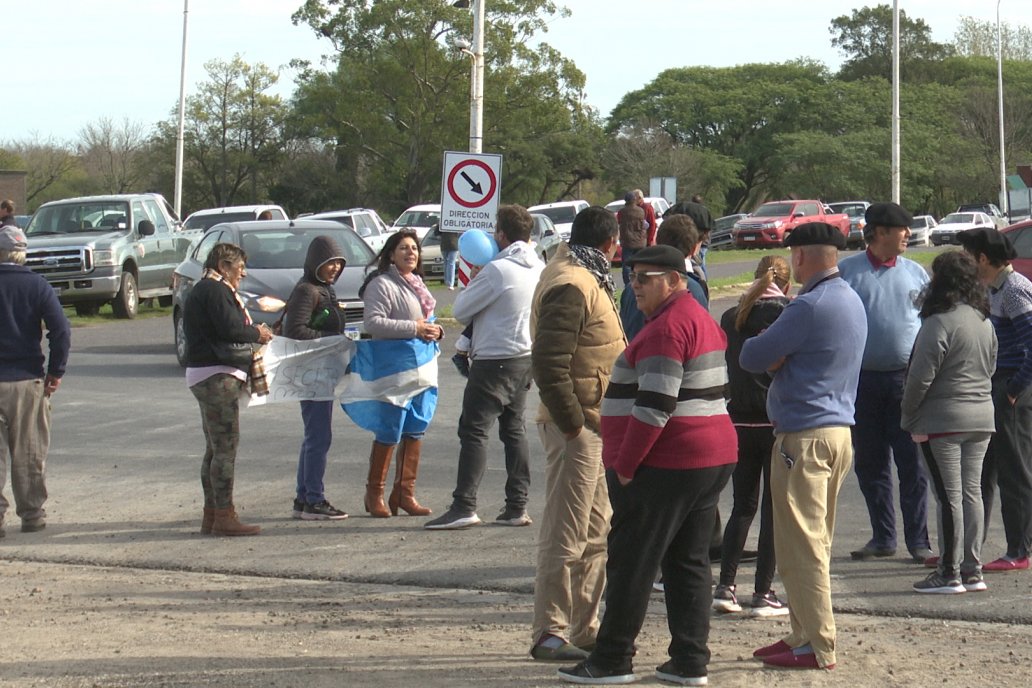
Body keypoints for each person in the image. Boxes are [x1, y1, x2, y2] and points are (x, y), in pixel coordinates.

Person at [558, 245, 737, 685]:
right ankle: (690, 660)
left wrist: (625, 463)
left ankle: (612, 659)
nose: (635, 286)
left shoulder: (667, 329)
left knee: (632, 562)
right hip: (708, 457)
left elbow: (655, 406)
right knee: (688, 562)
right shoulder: (699, 319)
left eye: (646, 278)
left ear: (675, 280)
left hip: (669, 461)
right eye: (632, 277)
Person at [740, 222, 867, 671]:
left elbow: (751, 355)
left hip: (805, 437)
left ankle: (817, 644)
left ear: (800, 257)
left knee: (803, 546)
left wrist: (780, 355)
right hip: (837, 434)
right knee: (810, 542)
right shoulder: (850, 298)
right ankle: (801, 635)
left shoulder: (808, 305)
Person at [529, 206, 625, 662]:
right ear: (611, 242)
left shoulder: (586, 276)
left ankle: (586, 629)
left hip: (592, 422)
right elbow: (549, 362)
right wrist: (572, 424)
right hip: (577, 426)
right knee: (566, 534)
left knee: (595, 532)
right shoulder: (572, 282)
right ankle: (550, 630)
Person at [425, 206, 544, 530]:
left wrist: (476, 279)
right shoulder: (538, 267)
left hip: (494, 358)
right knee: (513, 430)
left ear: (502, 234)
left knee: (474, 430)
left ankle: (465, 505)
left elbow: (461, 310)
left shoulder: (498, 270)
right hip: (524, 356)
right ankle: (517, 505)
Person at [839, 202, 932, 563]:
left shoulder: (916, 273)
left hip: (905, 383)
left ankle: (918, 541)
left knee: (912, 464)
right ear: (878, 233)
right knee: (871, 464)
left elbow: (930, 323)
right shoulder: (847, 272)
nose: (908, 234)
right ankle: (883, 537)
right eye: (900, 229)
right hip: (860, 383)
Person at [901, 250, 997, 594]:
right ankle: (972, 569)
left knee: (949, 497)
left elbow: (919, 377)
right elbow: (991, 366)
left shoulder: (938, 322)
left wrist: (908, 415)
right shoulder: (983, 319)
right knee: (973, 494)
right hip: (982, 416)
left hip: (942, 419)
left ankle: (948, 571)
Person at [713, 255, 792, 617]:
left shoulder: (732, 317)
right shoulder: (788, 313)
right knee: (775, 510)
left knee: (742, 507)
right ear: (785, 284)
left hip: (739, 419)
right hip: (774, 420)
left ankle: (725, 585)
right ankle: (763, 591)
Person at [183, 243, 274, 536]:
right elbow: (231, 330)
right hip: (216, 375)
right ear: (223, 266)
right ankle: (224, 515)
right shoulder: (215, 290)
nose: (243, 274)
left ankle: (212, 515)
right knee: (225, 449)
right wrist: (257, 333)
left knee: (214, 449)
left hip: (206, 373)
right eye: (239, 268)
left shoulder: (205, 289)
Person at [957, 227, 1032, 572]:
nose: (966, 262)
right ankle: (970, 546)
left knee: (1014, 471)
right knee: (983, 469)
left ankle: (1020, 549)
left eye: (968, 256)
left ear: (983, 258)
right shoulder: (992, 289)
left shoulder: (1015, 291)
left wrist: (1014, 389)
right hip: (995, 386)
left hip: (1012, 390)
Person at [360, 230, 443, 518]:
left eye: (415, 249)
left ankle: (404, 493)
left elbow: (427, 322)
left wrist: (436, 330)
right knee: (390, 428)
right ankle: (375, 494)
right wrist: (415, 329)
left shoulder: (418, 284)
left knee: (416, 427)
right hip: (394, 370)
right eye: (404, 248)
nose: (411, 253)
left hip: (422, 368)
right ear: (391, 254)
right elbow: (373, 323)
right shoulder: (382, 285)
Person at [0, 225, 70, 536]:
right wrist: (56, 371)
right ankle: (31, 514)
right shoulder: (37, 286)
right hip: (26, 379)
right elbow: (61, 331)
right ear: (22, 253)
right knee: (28, 450)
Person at [283, 236, 351, 522]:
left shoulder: (325, 290)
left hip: (324, 372)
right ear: (315, 263)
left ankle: (303, 497)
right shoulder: (307, 290)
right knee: (319, 438)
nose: (334, 268)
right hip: (311, 373)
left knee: (314, 437)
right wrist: (331, 340)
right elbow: (295, 331)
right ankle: (314, 499)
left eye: (338, 263)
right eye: (329, 263)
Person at [619, 214, 708, 342]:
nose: (636, 283)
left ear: (658, 242)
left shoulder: (630, 288)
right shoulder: (692, 289)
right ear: (694, 249)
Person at [616, 192, 646, 286]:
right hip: (640, 241)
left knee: (627, 266)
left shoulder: (622, 212)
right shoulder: (641, 211)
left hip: (627, 242)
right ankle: (642, 282)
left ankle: (628, 285)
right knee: (641, 264)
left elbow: (619, 222)